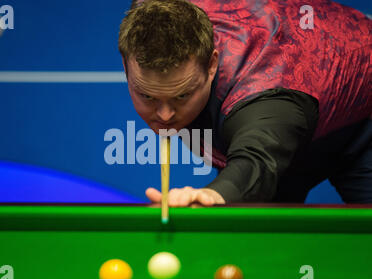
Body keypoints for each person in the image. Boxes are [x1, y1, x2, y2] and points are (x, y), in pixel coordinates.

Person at [118, 0, 372, 206]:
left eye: (182, 95)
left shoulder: (264, 92)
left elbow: (257, 160)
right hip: (299, 122)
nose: (164, 115)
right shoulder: (153, 14)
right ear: (125, 66)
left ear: (211, 65)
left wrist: (214, 195)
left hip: (362, 116)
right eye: (148, 97)